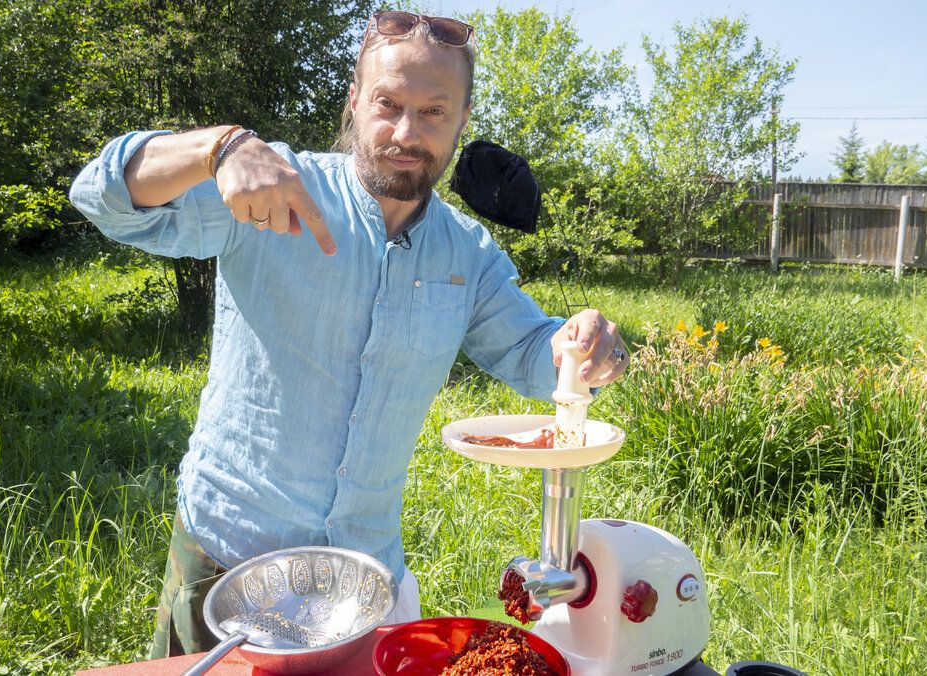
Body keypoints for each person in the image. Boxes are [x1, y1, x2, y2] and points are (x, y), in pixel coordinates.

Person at [69, 9, 630, 659]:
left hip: (364, 581)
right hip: (230, 563)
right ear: (356, 100)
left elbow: (534, 353)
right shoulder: (276, 186)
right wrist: (218, 149)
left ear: (462, 120)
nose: (406, 133)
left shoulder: (468, 254)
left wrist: (586, 348)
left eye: (433, 112)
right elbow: (101, 197)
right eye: (388, 104)